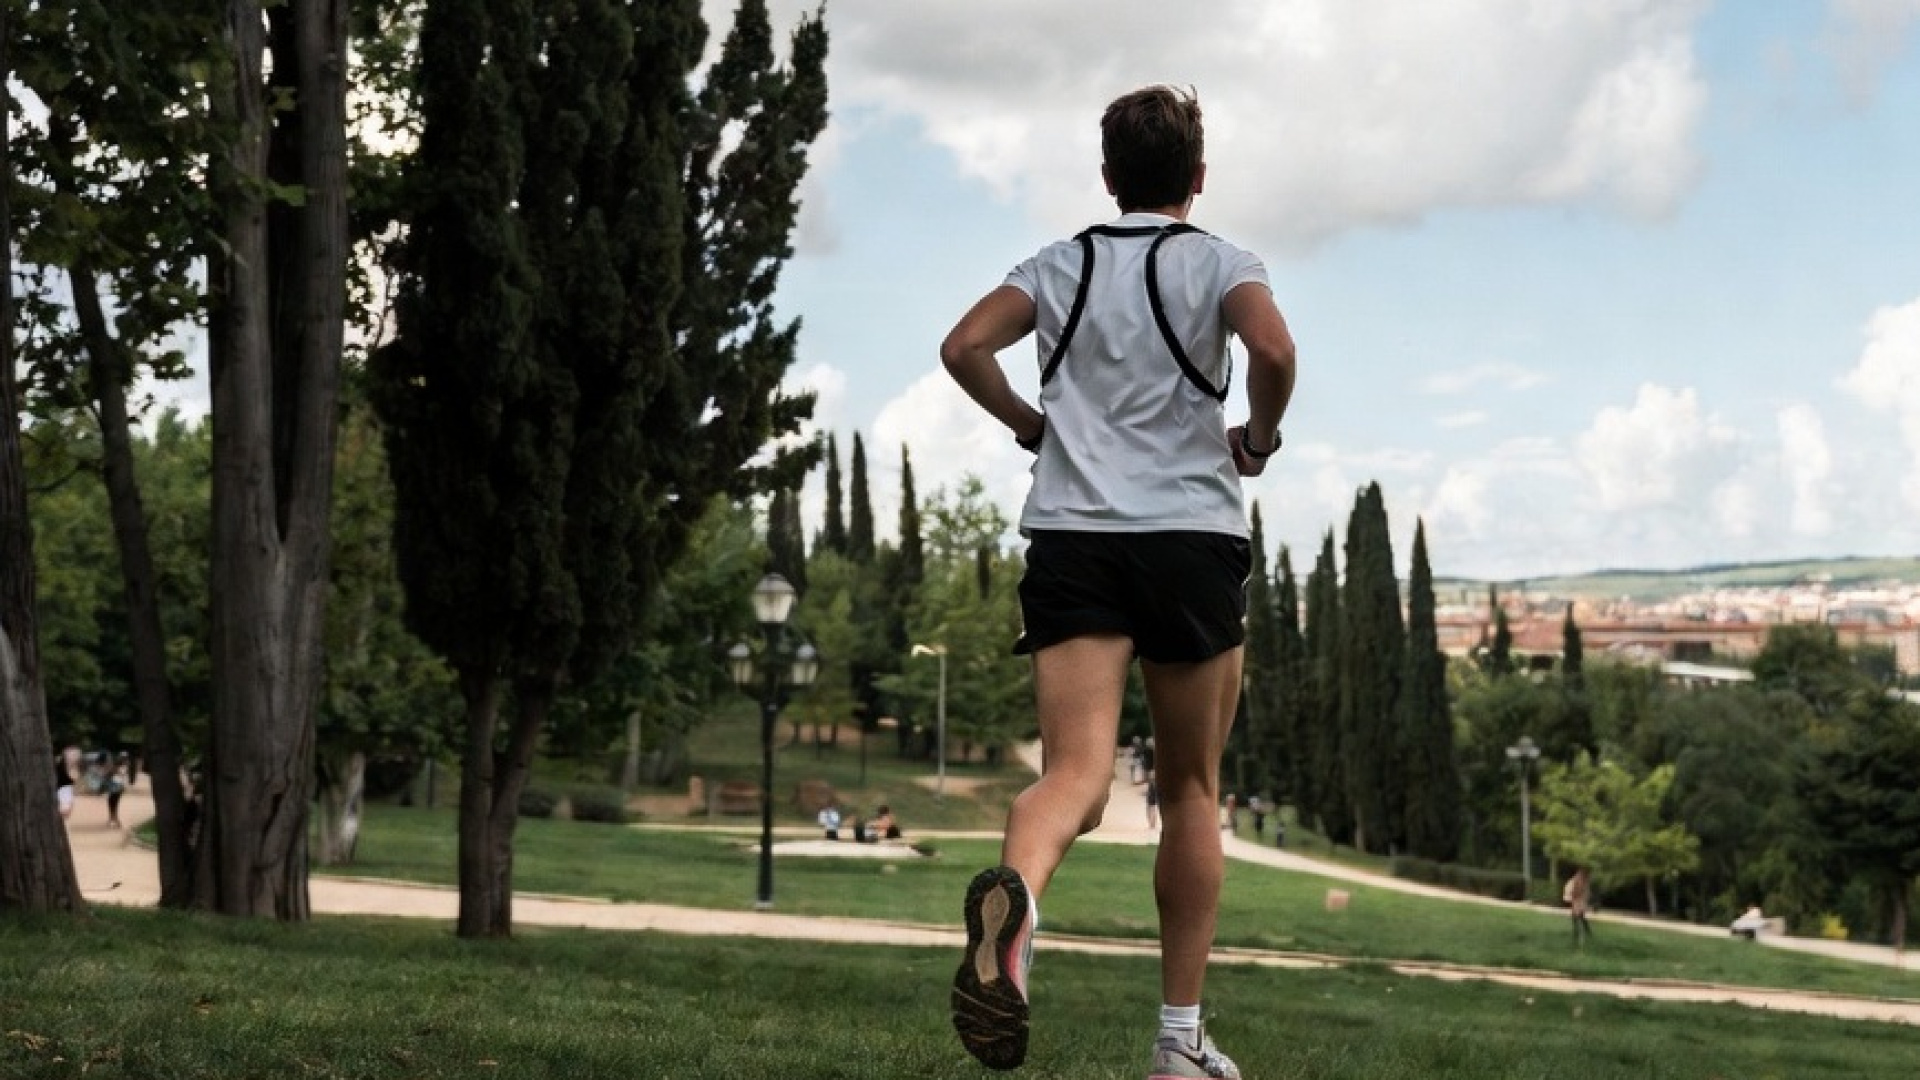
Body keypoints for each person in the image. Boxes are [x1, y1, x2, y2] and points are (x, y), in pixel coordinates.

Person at [941, 84, 1297, 1078]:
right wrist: (1258, 437)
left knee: (1074, 778)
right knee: (1189, 790)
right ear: (1197, 177)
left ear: (1108, 178)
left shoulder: (1059, 264)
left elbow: (964, 346)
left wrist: (1027, 423)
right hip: (1189, 538)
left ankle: (1012, 917)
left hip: (1075, 537)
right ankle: (1179, 1047)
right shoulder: (1224, 260)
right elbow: (1269, 347)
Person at [1564, 866, 1595, 946]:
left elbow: (1577, 890)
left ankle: (1578, 932)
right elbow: (1585, 891)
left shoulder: (1579, 879)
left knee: (1576, 916)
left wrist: (1574, 896)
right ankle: (1585, 931)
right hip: (1580, 899)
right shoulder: (1582, 879)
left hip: (1578, 899)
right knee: (1580, 916)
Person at [105, 753, 129, 828]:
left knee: (112, 802)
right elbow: (122, 776)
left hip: (115, 785)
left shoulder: (116, 766)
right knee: (114, 802)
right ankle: (114, 818)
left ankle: (113, 818)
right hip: (117, 785)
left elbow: (110, 775)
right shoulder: (121, 767)